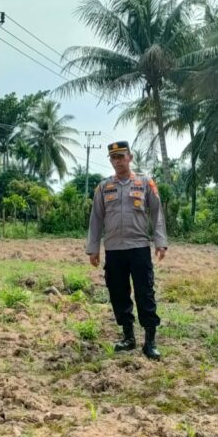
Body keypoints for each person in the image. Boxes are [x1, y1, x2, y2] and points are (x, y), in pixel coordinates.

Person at [86, 140, 168, 360]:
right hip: (114, 250)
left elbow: (156, 213)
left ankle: (150, 341)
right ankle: (128, 337)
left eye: (121, 156)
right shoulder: (104, 187)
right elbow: (96, 218)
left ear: (130, 158)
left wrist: (160, 241)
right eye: (113, 157)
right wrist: (93, 248)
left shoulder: (145, 183)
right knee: (118, 293)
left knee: (144, 292)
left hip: (138, 247)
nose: (117, 161)